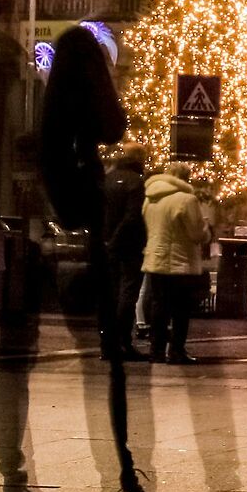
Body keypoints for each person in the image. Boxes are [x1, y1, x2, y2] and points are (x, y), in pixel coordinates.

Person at [16, 22, 155, 492]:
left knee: (42, 368)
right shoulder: (91, 123)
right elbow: (115, 125)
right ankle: (128, 483)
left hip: (48, 245)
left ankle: (20, 476)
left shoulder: (47, 112)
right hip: (90, 247)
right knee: (108, 369)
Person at [141, 161, 212, 364]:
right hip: (179, 261)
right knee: (180, 309)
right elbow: (197, 233)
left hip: (155, 258)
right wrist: (206, 230)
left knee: (158, 307)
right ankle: (176, 350)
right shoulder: (187, 200)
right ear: (185, 178)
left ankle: (156, 350)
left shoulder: (150, 198)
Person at [101, 144, 151, 355]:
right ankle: (122, 342)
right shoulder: (137, 182)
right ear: (139, 158)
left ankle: (107, 344)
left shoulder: (108, 178)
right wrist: (117, 239)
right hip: (129, 245)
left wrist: (105, 239)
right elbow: (132, 217)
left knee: (110, 295)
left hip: (107, 245)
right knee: (128, 293)